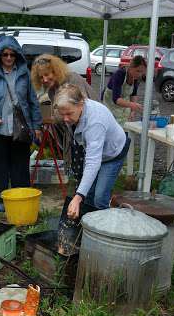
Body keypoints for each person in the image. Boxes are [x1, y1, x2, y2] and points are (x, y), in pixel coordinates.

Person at [0, 36, 42, 212]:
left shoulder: (25, 74)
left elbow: (33, 102)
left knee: (20, 167)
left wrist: (37, 126)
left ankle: (21, 198)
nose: (9, 58)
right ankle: (1, 199)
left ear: (17, 55)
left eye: (12, 54)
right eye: (5, 54)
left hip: (21, 130)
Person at [53, 83, 130, 219]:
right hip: (95, 151)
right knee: (88, 195)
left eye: (69, 114)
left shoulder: (95, 122)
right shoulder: (73, 111)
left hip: (113, 153)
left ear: (81, 104)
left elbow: (93, 162)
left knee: (99, 197)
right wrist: (81, 194)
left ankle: (105, 227)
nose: (65, 119)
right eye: (62, 114)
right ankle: (87, 226)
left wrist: (77, 197)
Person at [31, 54, 99, 173]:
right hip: (76, 131)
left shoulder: (72, 79)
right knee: (80, 168)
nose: (45, 80)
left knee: (91, 166)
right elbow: (61, 114)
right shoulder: (52, 91)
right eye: (41, 77)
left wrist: (51, 118)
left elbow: (81, 109)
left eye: (47, 74)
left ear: (56, 71)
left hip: (92, 128)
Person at [103, 55, 147, 125]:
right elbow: (116, 99)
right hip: (110, 106)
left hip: (124, 108)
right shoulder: (119, 74)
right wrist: (132, 105)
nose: (139, 74)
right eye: (138, 71)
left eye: (142, 72)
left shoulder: (136, 78)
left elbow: (133, 94)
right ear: (131, 67)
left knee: (126, 127)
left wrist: (133, 111)